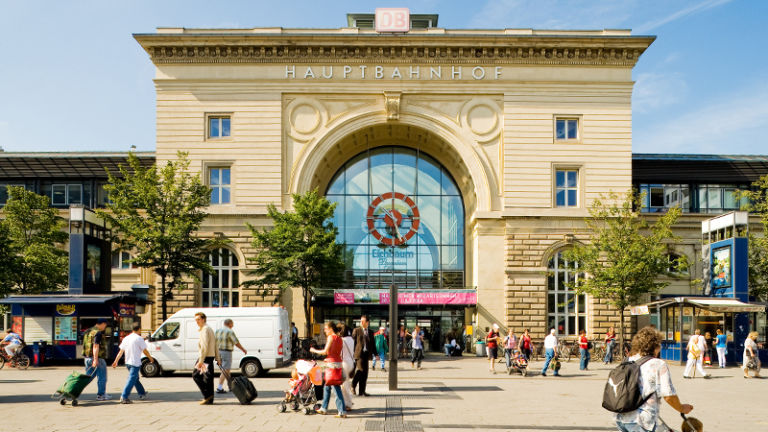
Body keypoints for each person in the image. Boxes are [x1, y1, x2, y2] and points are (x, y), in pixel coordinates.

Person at [614, 326, 694, 432]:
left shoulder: (628, 360)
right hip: (642, 420)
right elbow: (669, 396)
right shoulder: (658, 364)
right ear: (655, 346)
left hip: (621, 417)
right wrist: (682, 408)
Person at [310, 321, 347, 418]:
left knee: (336, 388)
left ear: (331, 328)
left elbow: (325, 351)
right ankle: (324, 408)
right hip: (338, 363)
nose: (325, 331)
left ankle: (342, 411)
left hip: (331, 365)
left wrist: (313, 350)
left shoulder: (331, 337)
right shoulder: (340, 338)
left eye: (326, 329)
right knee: (327, 386)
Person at [111, 322, 154, 404]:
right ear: (139, 329)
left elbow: (121, 352)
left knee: (135, 379)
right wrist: (150, 358)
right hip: (135, 362)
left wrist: (115, 361)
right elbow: (145, 351)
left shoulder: (126, 338)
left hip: (128, 362)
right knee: (131, 379)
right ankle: (124, 397)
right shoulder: (139, 338)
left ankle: (142, 393)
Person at [193, 312, 221, 404]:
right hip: (208, 357)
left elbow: (205, 346)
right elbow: (215, 345)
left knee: (196, 376)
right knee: (207, 377)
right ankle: (209, 397)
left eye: (198, 319)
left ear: (203, 319)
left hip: (205, 357)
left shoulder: (205, 330)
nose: (197, 321)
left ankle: (207, 396)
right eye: (196, 320)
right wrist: (217, 358)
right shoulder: (208, 329)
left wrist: (201, 361)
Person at [215, 319, 247, 394]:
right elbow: (236, 342)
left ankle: (230, 386)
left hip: (218, 351)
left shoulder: (218, 331)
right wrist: (243, 349)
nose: (233, 325)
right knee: (225, 370)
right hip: (226, 352)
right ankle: (219, 387)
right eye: (232, 324)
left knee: (227, 370)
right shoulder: (230, 331)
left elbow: (214, 342)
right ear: (229, 324)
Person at [83, 318, 111, 400]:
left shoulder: (87, 331)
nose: (105, 327)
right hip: (97, 358)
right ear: (102, 323)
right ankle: (101, 395)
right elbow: (95, 346)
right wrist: (95, 359)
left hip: (87, 358)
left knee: (87, 377)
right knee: (102, 377)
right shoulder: (97, 332)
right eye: (105, 325)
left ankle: (74, 390)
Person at [351, 315, 374, 397]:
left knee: (365, 373)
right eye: (361, 321)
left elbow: (372, 344)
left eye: (363, 321)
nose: (361, 322)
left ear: (367, 322)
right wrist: (352, 353)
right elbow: (352, 342)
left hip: (366, 354)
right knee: (360, 370)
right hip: (358, 354)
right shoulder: (356, 330)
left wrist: (376, 354)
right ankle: (353, 385)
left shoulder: (370, 332)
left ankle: (362, 391)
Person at [338, 323, 355, 411]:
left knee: (344, 385)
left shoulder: (342, 340)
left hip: (344, 363)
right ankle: (348, 402)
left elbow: (340, 354)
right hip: (351, 362)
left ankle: (347, 404)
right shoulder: (351, 339)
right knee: (346, 383)